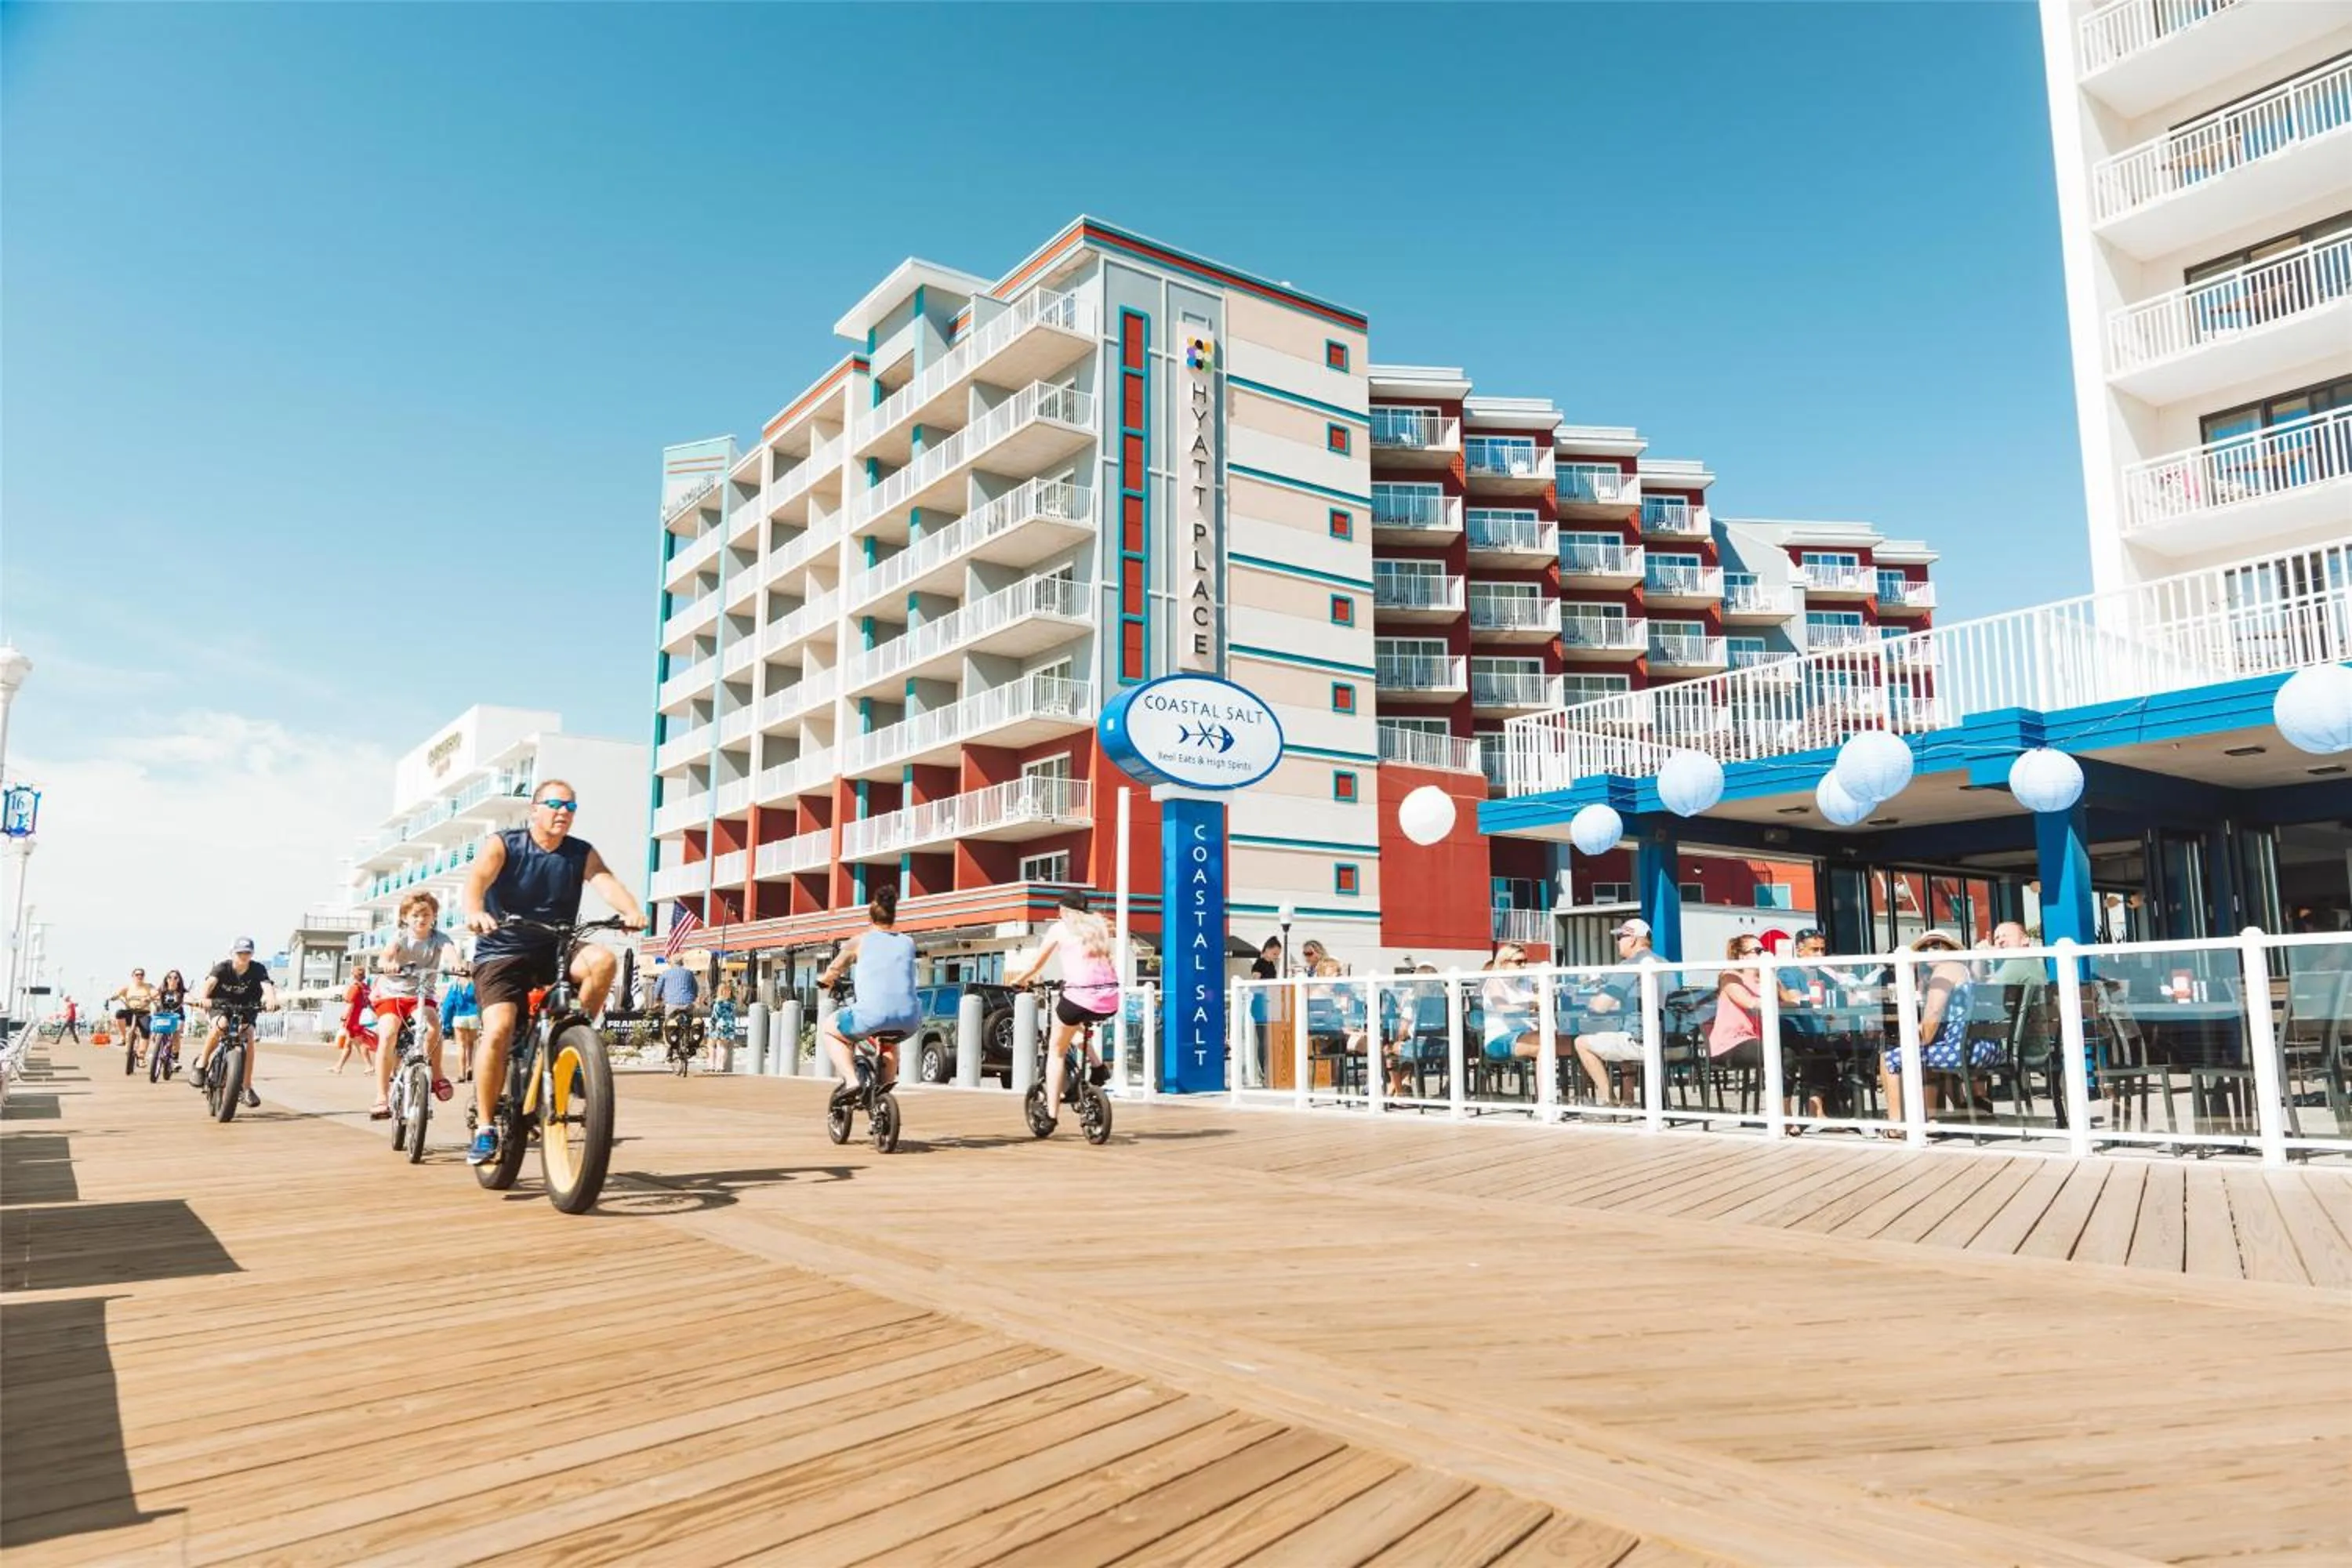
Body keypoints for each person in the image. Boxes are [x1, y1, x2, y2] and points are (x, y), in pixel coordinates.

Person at [460, 779, 646, 1167]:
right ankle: (486, 1126)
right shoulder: (505, 844)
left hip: (554, 947)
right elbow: (477, 880)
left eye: (571, 807)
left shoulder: (580, 853)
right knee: (498, 1028)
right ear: (534, 809)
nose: (564, 812)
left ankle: (572, 1040)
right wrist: (476, 912)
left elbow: (605, 882)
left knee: (603, 961)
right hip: (502, 951)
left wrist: (630, 909)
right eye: (555, 804)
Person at [1007, 892, 1122, 1125]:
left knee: (1056, 1050)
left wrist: (1018, 980)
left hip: (1078, 997)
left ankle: (1051, 1114)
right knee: (1073, 1027)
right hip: (1110, 998)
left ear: (1065, 910)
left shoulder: (1060, 928)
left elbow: (1036, 963)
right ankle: (1098, 1067)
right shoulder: (1098, 926)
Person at [816, 885, 919, 1102]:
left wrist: (825, 981)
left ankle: (852, 1081)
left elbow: (835, 969)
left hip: (871, 1016)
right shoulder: (908, 942)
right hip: (909, 1019)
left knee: (830, 1030)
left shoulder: (860, 941)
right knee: (889, 1042)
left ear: (870, 919)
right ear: (893, 917)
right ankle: (884, 1099)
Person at [1881, 929, 1980, 1132]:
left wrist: (1920, 1039)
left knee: (1889, 1056)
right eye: (1925, 947)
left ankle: (1896, 1124)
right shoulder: (1963, 970)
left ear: (1950, 950)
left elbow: (1933, 1014)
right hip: (1977, 1045)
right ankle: (1930, 1118)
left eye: (1936, 946)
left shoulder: (1945, 971)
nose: (1929, 951)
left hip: (1958, 1050)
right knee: (1923, 1049)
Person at [369, 893, 455, 1120]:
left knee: (433, 1026)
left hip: (421, 994)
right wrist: (389, 964)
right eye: (415, 915)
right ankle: (381, 1096)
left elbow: (451, 954)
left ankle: (436, 1075)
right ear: (405, 918)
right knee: (388, 1033)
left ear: (434, 916)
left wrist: (458, 965)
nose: (421, 919)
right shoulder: (399, 937)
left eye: (426, 914)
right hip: (393, 995)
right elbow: (386, 956)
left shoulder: (440, 938)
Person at [1572, 918, 1652, 1106]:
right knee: (1621, 1037)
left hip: (1642, 1042)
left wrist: (1590, 1000)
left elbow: (1601, 1006)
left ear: (1632, 939)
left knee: (1581, 1043)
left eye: (1621, 937)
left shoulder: (1630, 965)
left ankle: (1610, 1101)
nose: (1617, 942)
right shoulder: (1663, 962)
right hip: (1673, 1043)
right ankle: (1628, 1101)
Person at [192, 938, 277, 1108]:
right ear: (233, 954)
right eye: (240, 953)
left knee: (249, 1034)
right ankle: (202, 1063)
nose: (243, 956)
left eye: (247, 953)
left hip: (247, 1006)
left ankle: (246, 1087)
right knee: (221, 1025)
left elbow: (266, 985)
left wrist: (271, 1000)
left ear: (252, 954)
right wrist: (204, 999)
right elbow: (210, 983)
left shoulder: (258, 968)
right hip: (220, 1005)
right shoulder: (222, 967)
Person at [332, 957, 376, 1074]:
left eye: (352, 973)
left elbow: (350, 1004)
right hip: (360, 1019)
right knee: (348, 1044)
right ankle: (338, 1067)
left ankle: (369, 1065)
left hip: (352, 1020)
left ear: (355, 975)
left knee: (360, 1044)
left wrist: (343, 1018)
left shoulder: (355, 988)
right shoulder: (366, 988)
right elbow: (370, 1003)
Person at [440, 960, 480, 1084]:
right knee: (471, 1045)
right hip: (474, 1017)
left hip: (459, 1018)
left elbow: (447, 1006)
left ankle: (461, 1073)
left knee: (461, 1046)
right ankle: (470, 1067)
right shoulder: (475, 985)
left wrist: (446, 1025)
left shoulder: (455, 986)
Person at [111, 968, 158, 1069]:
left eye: (142, 975)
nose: (139, 976)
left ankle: (141, 1057)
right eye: (137, 975)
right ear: (133, 976)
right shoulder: (128, 987)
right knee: (119, 1014)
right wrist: (114, 997)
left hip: (143, 1012)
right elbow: (118, 993)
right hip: (131, 1011)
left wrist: (151, 997)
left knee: (146, 1031)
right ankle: (123, 1037)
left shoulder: (148, 986)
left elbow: (155, 993)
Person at [652, 959, 700, 1054]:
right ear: (682, 963)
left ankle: (669, 1050)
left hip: (672, 1004)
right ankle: (691, 1045)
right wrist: (694, 998)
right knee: (689, 1023)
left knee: (668, 1024)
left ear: (671, 963)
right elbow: (695, 988)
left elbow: (658, 988)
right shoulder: (689, 973)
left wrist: (657, 1000)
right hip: (688, 1003)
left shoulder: (666, 973)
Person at [1987, 920, 2043, 987]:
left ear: (2025, 940)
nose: (2000, 941)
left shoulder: (2019, 962)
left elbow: (1988, 990)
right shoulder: (2033, 962)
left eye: (2005, 935)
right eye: (1997, 938)